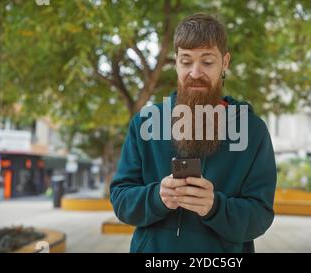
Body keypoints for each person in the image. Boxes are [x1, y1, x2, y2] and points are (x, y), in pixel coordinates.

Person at [110, 13, 277, 253]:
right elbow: (121, 199)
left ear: (225, 63)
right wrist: (157, 197)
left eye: (207, 62)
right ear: (176, 62)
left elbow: (260, 215)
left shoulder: (253, 130)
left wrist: (215, 207)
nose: (195, 72)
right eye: (186, 61)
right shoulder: (144, 123)